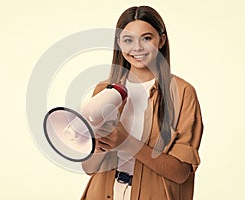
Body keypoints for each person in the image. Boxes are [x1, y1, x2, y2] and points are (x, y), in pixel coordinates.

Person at [81, 5, 203, 200]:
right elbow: (89, 168)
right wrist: (96, 146)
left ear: (161, 40)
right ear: (119, 43)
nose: (137, 48)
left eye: (146, 38)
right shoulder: (104, 90)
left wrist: (127, 142)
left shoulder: (182, 93)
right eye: (128, 40)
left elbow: (181, 173)